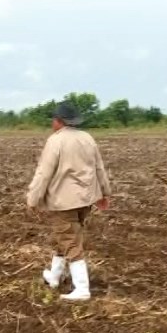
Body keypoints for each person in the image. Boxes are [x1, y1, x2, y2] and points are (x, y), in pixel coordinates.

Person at [27, 101, 112, 301]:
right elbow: (99, 167)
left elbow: (43, 174)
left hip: (63, 201)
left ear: (58, 121)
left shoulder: (55, 141)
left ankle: (82, 288)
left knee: (70, 241)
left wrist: (33, 198)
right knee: (63, 238)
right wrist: (104, 193)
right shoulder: (87, 138)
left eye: (53, 120)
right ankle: (54, 276)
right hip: (85, 200)